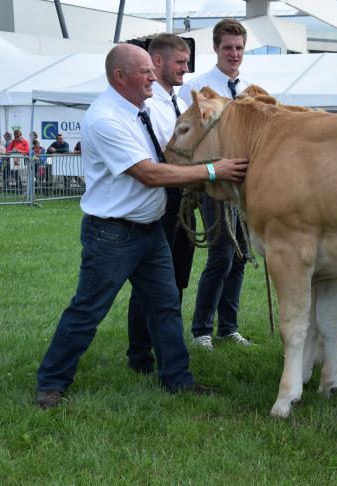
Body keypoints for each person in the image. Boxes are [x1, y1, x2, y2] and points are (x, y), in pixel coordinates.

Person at [34, 43, 249, 409]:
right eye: (145, 71)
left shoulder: (142, 109)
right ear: (121, 77)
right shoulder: (105, 118)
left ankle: (177, 379)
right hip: (113, 235)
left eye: (152, 69)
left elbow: (171, 154)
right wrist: (214, 171)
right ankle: (51, 383)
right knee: (88, 311)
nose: (154, 76)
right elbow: (147, 173)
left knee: (165, 306)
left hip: (149, 231)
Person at [126, 33, 198, 375]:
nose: (186, 69)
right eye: (180, 63)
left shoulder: (181, 105)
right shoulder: (147, 107)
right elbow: (158, 159)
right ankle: (140, 354)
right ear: (158, 61)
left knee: (178, 278)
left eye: (186, 63)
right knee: (152, 282)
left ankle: (167, 344)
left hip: (185, 202)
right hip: (162, 202)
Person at [179, 19, 252, 349]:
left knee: (241, 255)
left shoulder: (251, 89)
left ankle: (228, 327)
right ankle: (201, 329)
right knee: (221, 253)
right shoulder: (196, 88)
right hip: (213, 181)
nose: (234, 54)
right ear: (215, 49)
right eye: (228, 48)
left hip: (244, 184)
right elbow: (188, 137)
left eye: (238, 48)